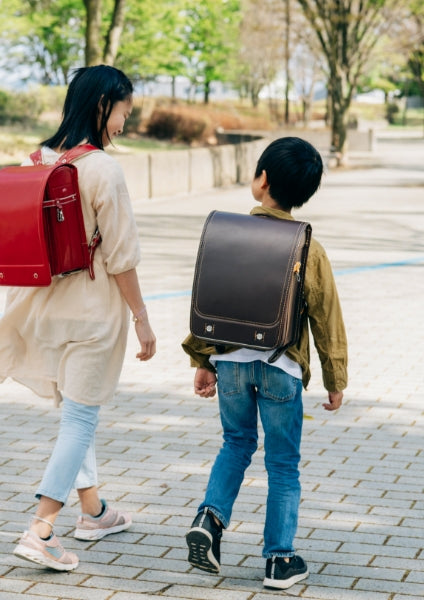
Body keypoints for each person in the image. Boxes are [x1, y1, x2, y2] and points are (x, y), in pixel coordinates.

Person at [0, 65, 157, 572]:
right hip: (91, 316)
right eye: (125, 109)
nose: (127, 121)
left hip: (43, 312)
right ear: (104, 104)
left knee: (73, 417)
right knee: (81, 419)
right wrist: (142, 319)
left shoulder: (34, 159)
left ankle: (95, 512)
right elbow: (122, 257)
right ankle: (41, 529)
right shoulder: (104, 169)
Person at [181, 136, 348, 590]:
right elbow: (325, 315)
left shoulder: (228, 233)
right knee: (282, 464)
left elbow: (210, 301)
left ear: (262, 181)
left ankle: (209, 520)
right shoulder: (306, 245)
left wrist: (203, 358)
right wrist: (335, 378)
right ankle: (279, 558)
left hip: (231, 363)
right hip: (282, 368)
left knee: (235, 444)